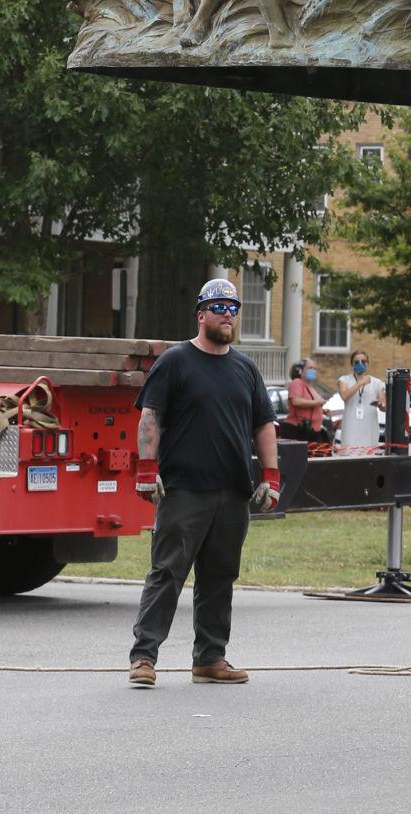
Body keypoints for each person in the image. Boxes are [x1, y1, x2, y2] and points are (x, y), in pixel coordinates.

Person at [128, 278, 279, 688]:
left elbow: (264, 424)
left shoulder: (245, 369)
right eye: (219, 307)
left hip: (232, 492)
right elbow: (150, 417)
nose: (227, 315)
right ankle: (144, 658)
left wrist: (271, 476)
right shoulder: (176, 361)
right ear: (201, 314)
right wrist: (146, 469)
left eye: (233, 308)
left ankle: (210, 658)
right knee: (167, 573)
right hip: (184, 491)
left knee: (219, 576)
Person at [337, 349, 385, 453]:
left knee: (368, 458)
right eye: (356, 362)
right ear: (352, 365)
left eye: (363, 361)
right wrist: (361, 383)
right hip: (351, 428)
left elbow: (383, 406)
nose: (360, 364)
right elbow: (344, 396)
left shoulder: (377, 383)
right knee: (349, 457)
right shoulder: (344, 380)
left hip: (369, 429)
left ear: (367, 364)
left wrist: (381, 405)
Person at [286, 357, 333, 448]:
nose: (313, 371)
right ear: (300, 370)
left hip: (312, 430)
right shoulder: (297, 383)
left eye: (315, 369)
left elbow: (310, 404)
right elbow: (295, 401)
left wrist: (322, 410)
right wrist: (317, 403)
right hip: (299, 429)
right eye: (310, 368)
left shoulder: (309, 386)